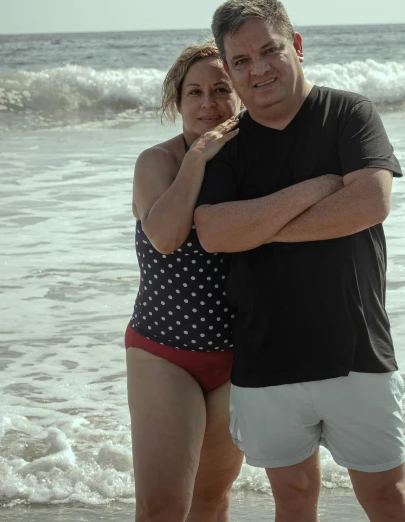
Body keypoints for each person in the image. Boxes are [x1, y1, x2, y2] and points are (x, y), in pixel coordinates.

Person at [194, 0, 405, 522]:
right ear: (228, 69)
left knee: (388, 500)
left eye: (269, 51)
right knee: (293, 500)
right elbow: (215, 232)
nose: (259, 69)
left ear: (295, 45)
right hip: (266, 356)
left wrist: (259, 226)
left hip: (356, 349)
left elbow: (369, 203)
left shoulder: (349, 113)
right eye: (242, 61)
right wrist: (315, 189)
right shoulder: (225, 143)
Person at [126, 42, 244, 522]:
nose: (207, 103)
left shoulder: (259, 162)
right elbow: (166, 236)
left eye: (220, 89)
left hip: (240, 357)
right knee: (161, 509)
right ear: (178, 103)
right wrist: (196, 159)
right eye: (193, 92)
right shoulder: (156, 163)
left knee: (211, 502)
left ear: (239, 94)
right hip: (163, 350)